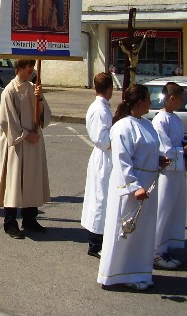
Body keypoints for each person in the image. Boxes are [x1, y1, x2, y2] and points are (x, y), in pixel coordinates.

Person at [98, 84, 168, 291]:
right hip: (130, 190)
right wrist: (134, 187)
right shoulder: (122, 127)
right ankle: (119, 274)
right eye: (147, 98)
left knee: (143, 233)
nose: (151, 102)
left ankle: (138, 270)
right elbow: (122, 161)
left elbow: (146, 152)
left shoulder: (146, 124)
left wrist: (158, 161)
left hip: (148, 187)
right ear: (139, 102)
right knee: (127, 231)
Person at [0, 59, 51, 239]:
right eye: (28, 66)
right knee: (14, 182)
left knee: (31, 180)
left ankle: (29, 218)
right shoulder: (9, 91)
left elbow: (45, 116)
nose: (31, 70)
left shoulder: (33, 88)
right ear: (18, 68)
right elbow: (8, 121)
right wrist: (27, 135)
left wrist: (40, 98)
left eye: (32, 66)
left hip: (33, 144)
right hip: (17, 144)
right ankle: (10, 223)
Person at [152, 82, 187, 269]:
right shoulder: (160, 120)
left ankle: (164, 247)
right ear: (172, 98)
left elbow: (176, 142)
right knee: (163, 209)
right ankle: (155, 251)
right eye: (181, 98)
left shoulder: (175, 119)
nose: (183, 101)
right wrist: (183, 150)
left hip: (177, 172)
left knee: (173, 209)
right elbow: (164, 149)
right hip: (167, 173)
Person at [81, 72, 114, 258]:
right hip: (103, 158)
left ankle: (100, 239)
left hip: (105, 158)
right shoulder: (99, 110)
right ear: (109, 89)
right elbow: (102, 139)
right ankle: (95, 244)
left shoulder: (103, 107)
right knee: (100, 199)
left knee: (103, 198)